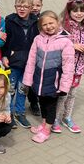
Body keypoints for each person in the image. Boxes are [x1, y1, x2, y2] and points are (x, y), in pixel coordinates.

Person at [23, 11, 74, 143]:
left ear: (58, 22)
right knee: (42, 103)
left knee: (50, 106)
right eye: (44, 24)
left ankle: (47, 129)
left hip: (53, 82)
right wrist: (28, 80)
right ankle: (44, 123)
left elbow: (68, 66)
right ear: (41, 27)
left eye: (51, 23)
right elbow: (31, 60)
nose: (48, 27)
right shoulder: (38, 39)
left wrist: (64, 86)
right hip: (39, 80)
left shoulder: (65, 42)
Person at [52, 0, 84, 134]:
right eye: (75, 10)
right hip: (64, 68)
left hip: (79, 69)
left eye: (82, 10)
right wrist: (72, 45)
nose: (79, 13)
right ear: (69, 11)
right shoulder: (62, 27)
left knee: (72, 94)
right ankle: (55, 119)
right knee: (62, 94)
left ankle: (67, 117)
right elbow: (55, 44)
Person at [2, 0, 39, 129]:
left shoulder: (36, 22)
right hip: (13, 62)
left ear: (31, 8)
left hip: (29, 63)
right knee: (10, 89)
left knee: (23, 89)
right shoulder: (10, 21)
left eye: (25, 6)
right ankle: (9, 113)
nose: (22, 9)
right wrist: (5, 55)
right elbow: (5, 41)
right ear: (15, 6)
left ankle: (20, 112)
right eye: (19, 6)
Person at [27, 0, 44, 116]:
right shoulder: (25, 18)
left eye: (38, 5)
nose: (34, 8)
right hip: (27, 54)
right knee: (28, 80)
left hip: (41, 55)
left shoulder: (43, 19)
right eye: (32, 5)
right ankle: (33, 102)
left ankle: (37, 102)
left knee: (38, 79)